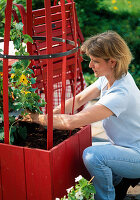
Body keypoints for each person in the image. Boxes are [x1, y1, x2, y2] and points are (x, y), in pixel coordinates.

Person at [23, 31, 140, 200]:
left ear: (112, 62)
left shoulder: (120, 94)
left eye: (95, 61)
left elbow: (72, 122)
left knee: (93, 156)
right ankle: (119, 180)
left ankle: (106, 197)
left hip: (136, 154)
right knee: (98, 155)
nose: (90, 65)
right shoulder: (112, 77)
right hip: (128, 147)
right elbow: (78, 99)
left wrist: (36, 119)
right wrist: (49, 115)